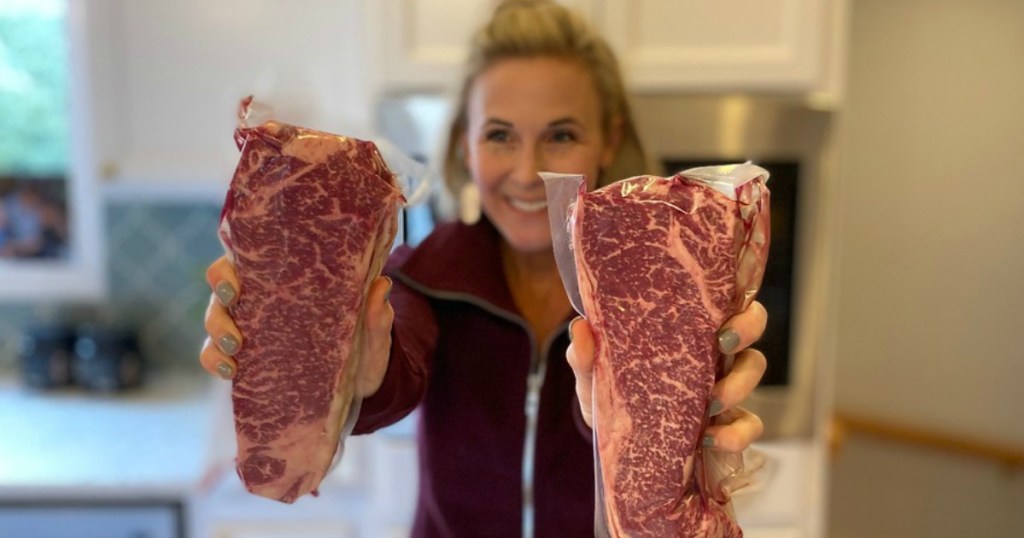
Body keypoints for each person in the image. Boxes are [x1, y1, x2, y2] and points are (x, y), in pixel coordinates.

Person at [200, 1, 768, 536]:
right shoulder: (428, 272)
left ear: (607, 140)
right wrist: (343, 363)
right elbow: (393, 368)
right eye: (500, 135)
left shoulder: (659, 287)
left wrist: (706, 426)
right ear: (464, 145)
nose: (526, 172)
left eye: (561, 135)